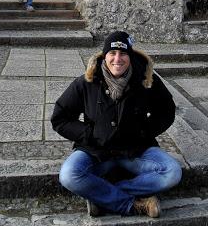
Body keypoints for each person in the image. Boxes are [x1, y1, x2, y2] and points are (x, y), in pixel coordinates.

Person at [51, 30, 182, 218]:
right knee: (69, 175)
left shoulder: (145, 80)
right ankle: (133, 205)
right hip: (97, 153)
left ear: (130, 56)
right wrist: (89, 134)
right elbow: (60, 118)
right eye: (112, 53)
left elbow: (166, 110)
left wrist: (144, 132)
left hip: (135, 152)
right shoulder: (87, 82)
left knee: (172, 172)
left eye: (123, 54)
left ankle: (104, 195)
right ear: (105, 56)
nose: (117, 59)